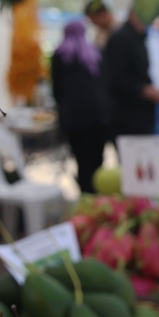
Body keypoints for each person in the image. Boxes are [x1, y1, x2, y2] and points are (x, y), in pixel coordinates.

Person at [51, 20, 112, 194]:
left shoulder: (60, 55)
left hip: (75, 120)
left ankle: (86, 197)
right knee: (97, 160)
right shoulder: (96, 53)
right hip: (99, 118)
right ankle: (98, 195)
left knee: (82, 161)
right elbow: (106, 84)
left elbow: (57, 89)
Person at [100, 10, 159, 140]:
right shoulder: (120, 38)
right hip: (127, 120)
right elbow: (117, 81)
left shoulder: (139, 36)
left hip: (141, 117)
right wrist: (150, 92)